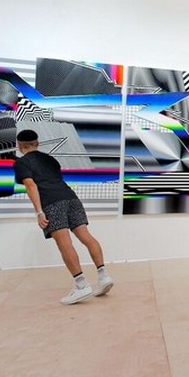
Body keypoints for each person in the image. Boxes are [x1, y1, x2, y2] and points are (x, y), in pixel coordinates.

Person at [13, 129, 113, 304]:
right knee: (86, 236)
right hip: (71, 198)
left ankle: (81, 285)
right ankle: (103, 276)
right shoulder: (50, 159)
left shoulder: (21, 163)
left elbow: (31, 185)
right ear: (37, 144)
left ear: (20, 146)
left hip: (51, 203)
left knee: (64, 243)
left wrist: (39, 212)